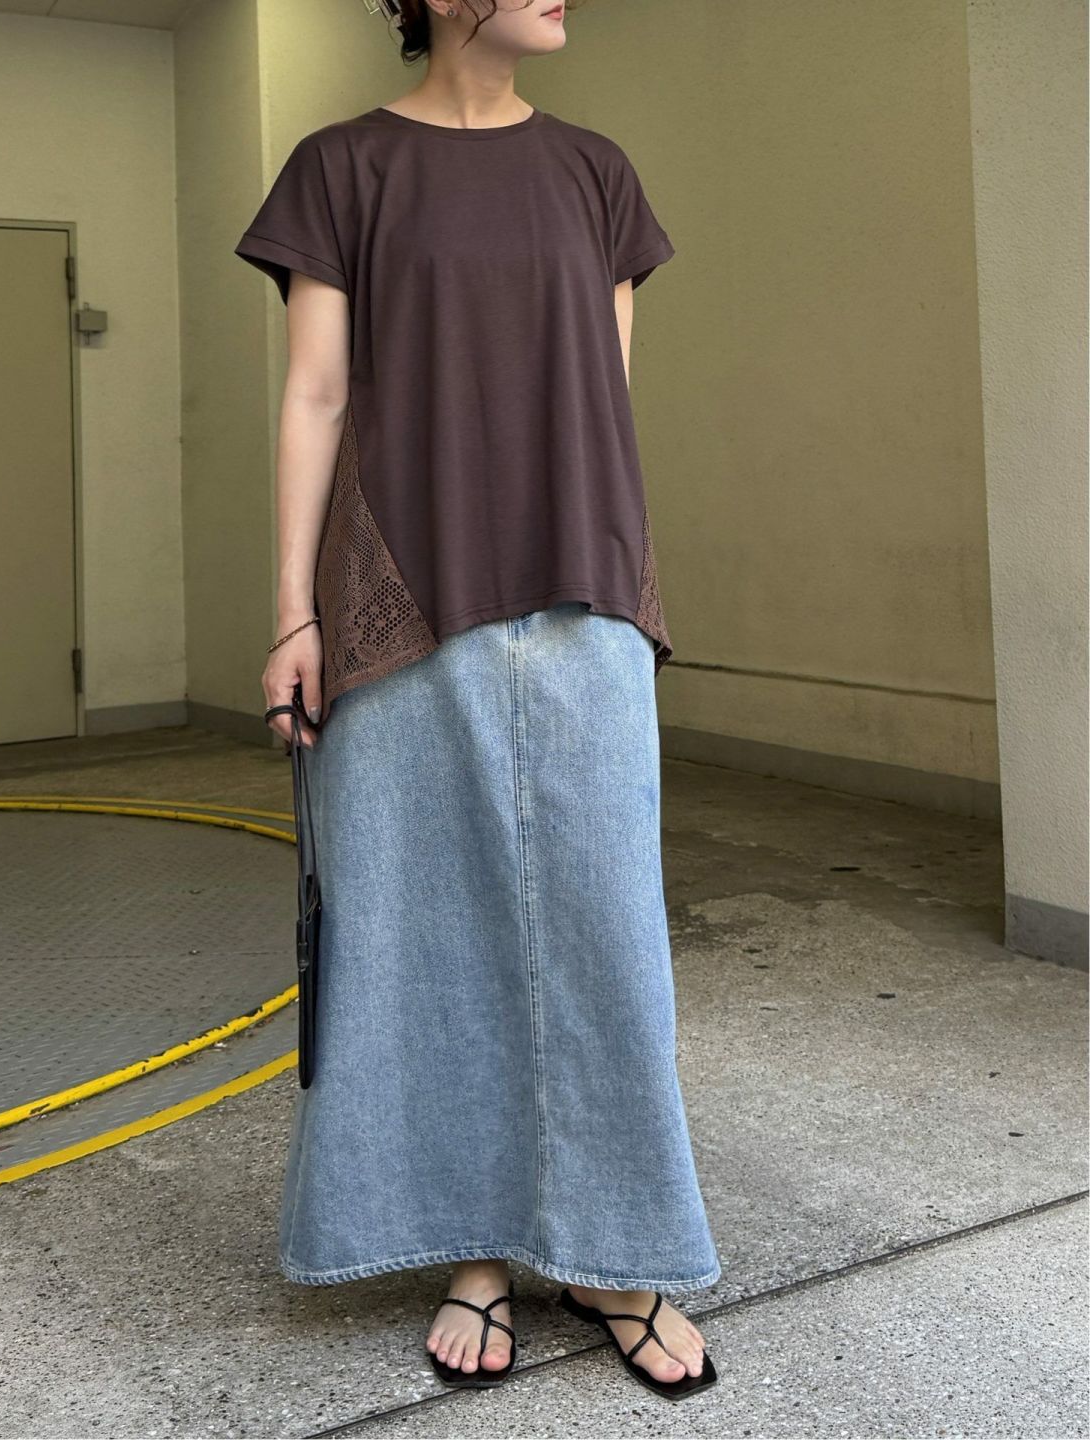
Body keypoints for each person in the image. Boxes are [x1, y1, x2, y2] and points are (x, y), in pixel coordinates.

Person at [235, 0, 722, 1405]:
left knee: (604, 931)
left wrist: (622, 572)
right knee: (423, 933)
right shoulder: (343, 168)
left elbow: (605, 401)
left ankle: (615, 1254)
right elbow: (316, 397)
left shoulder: (596, 173)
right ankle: (478, 1250)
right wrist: (295, 612)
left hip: (582, 591)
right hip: (403, 596)